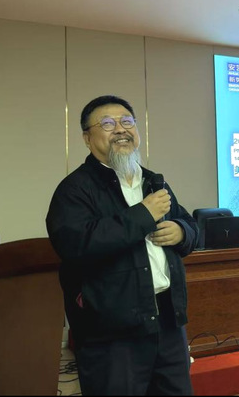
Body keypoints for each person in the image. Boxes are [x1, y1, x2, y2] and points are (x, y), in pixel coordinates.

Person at [46, 95, 198, 395]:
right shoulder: (75, 189)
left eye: (127, 121)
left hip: (167, 319)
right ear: (87, 139)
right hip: (110, 331)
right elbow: (76, 245)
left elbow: (191, 225)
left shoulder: (154, 182)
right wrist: (143, 215)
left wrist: (182, 233)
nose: (120, 129)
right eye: (107, 123)